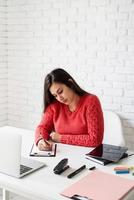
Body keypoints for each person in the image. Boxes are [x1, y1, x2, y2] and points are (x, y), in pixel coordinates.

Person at [35, 68, 104, 151]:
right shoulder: (55, 105)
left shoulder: (91, 101)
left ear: (70, 84)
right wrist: (40, 141)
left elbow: (95, 139)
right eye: (55, 95)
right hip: (63, 154)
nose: (59, 98)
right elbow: (42, 127)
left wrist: (61, 138)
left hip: (86, 156)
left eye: (60, 92)